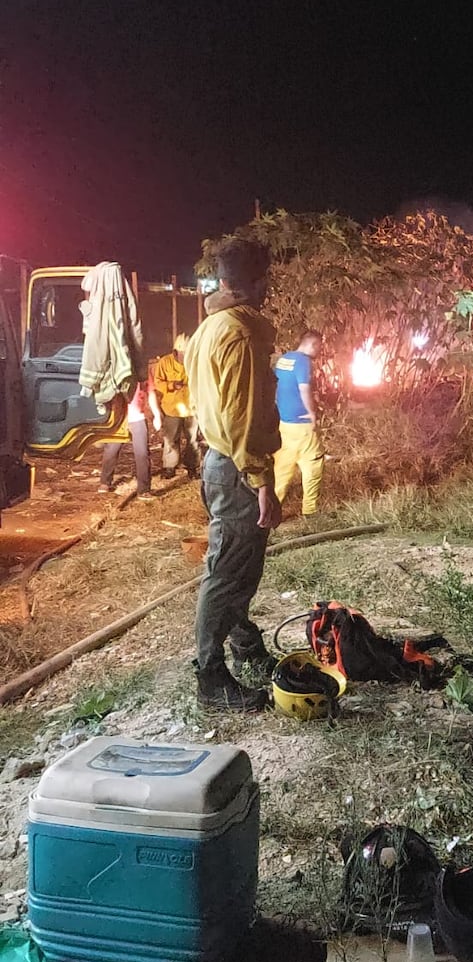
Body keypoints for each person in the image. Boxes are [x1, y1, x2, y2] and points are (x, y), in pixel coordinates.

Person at [185, 237, 282, 712]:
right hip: (237, 467)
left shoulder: (207, 328)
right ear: (259, 281)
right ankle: (211, 678)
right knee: (224, 572)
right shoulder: (241, 333)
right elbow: (243, 416)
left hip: (219, 461)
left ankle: (245, 646)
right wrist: (261, 480)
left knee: (240, 564)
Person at [273, 330, 325, 516]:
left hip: (284, 423)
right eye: (319, 346)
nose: (320, 350)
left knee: (282, 468)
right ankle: (310, 511)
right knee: (313, 464)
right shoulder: (304, 362)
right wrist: (312, 414)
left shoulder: (283, 359)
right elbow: (304, 389)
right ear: (313, 344)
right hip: (302, 424)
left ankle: (271, 511)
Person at [98, 378, 161, 499]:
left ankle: (143, 490)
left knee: (142, 453)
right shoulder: (117, 368)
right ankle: (105, 482)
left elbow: (151, 392)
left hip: (136, 417)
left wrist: (157, 415)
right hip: (119, 417)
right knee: (111, 450)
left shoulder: (143, 372)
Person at [153, 333, 200, 478]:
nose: (185, 357)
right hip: (172, 408)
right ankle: (170, 467)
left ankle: (192, 467)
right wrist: (171, 385)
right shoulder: (165, 362)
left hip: (191, 408)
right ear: (175, 352)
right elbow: (158, 382)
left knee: (193, 440)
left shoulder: (195, 362)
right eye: (183, 354)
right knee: (171, 439)